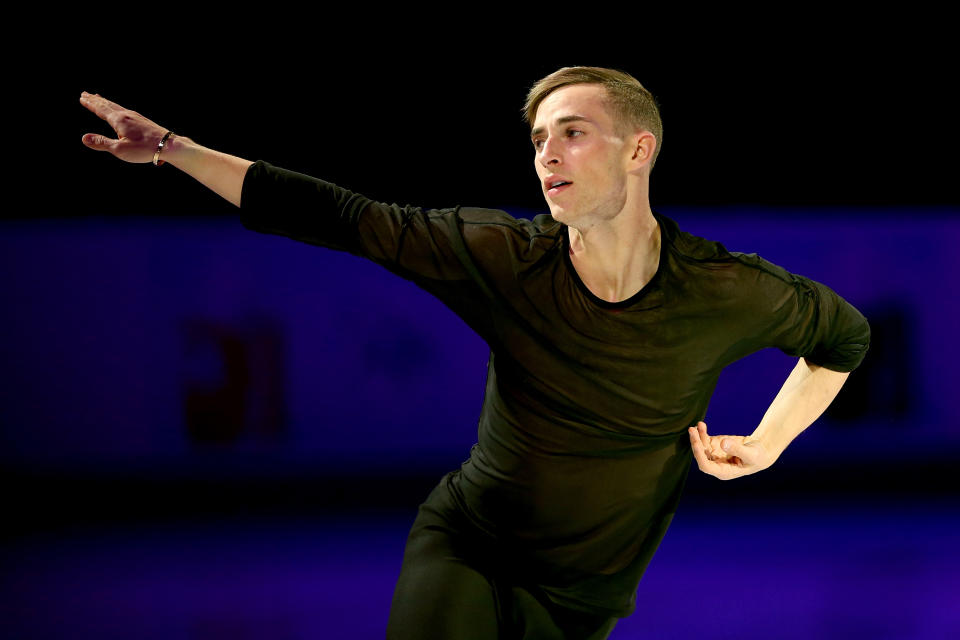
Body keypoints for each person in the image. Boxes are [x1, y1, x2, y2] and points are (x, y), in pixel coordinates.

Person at [79, 66, 870, 640]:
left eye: (573, 132)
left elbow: (843, 337)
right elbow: (341, 215)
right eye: (537, 139)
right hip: (471, 547)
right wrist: (173, 150)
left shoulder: (723, 290)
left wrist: (766, 445)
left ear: (639, 150)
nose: (547, 153)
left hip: (588, 598)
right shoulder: (503, 255)